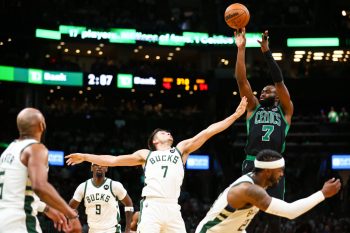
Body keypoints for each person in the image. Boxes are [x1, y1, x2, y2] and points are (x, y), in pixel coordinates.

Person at [65, 97, 248, 233]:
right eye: (163, 133)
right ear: (154, 141)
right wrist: (85, 156)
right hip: (151, 206)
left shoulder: (181, 149)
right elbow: (113, 160)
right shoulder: (146, 155)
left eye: (168, 132)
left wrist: (235, 115)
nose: (168, 133)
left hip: (173, 208)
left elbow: (208, 132)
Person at [195, 149, 341, 233]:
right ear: (266, 171)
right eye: (279, 171)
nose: (282, 174)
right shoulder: (249, 190)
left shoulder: (258, 183)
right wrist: (322, 194)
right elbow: (290, 212)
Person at [234, 28, 294, 232]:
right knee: (244, 215)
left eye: (267, 90)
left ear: (278, 95)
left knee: (274, 218)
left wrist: (266, 52)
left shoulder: (286, 111)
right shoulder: (253, 108)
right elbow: (242, 81)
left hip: (275, 164)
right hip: (252, 163)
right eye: (261, 91)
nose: (262, 93)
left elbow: (279, 81)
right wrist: (241, 49)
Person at [0, 107, 82, 233]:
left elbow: (15, 195)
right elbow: (40, 186)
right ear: (42, 125)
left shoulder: (8, 151)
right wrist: (71, 214)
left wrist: (47, 209)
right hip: (20, 223)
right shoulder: (36, 148)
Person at [69, 163, 133, 233]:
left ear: (106, 168)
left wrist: (127, 229)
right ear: (91, 168)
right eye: (96, 164)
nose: (99, 166)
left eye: (102, 164)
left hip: (112, 230)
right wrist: (75, 219)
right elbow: (71, 207)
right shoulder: (84, 186)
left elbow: (128, 203)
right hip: (92, 230)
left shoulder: (114, 185)